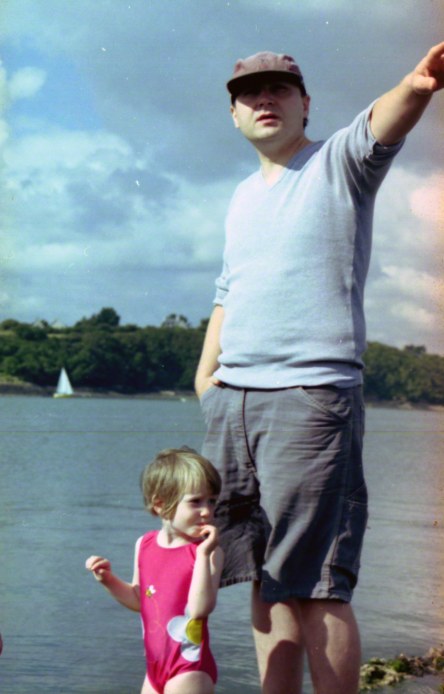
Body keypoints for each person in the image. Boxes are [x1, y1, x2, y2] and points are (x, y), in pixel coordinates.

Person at [195, 44, 444, 694]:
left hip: (310, 402)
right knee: (262, 577)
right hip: (233, 402)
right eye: (251, 93)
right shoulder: (242, 197)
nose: (266, 100)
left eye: (280, 89)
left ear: (305, 103)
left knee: (319, 585)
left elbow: (380, 124)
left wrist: (416, 87)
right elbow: (229, 289)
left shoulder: (337, 163)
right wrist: (206, 377)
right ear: (233, 114)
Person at [85, 448, 224, 694]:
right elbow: (140, 599)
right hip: (154, 670)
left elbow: (200, 610)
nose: (207, 510)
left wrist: (203, 555)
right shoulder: (145, 545)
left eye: (212, 501)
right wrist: (107, 580)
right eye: (195, 501)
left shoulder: (207, 553)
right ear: (161, 505)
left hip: (189, 668)